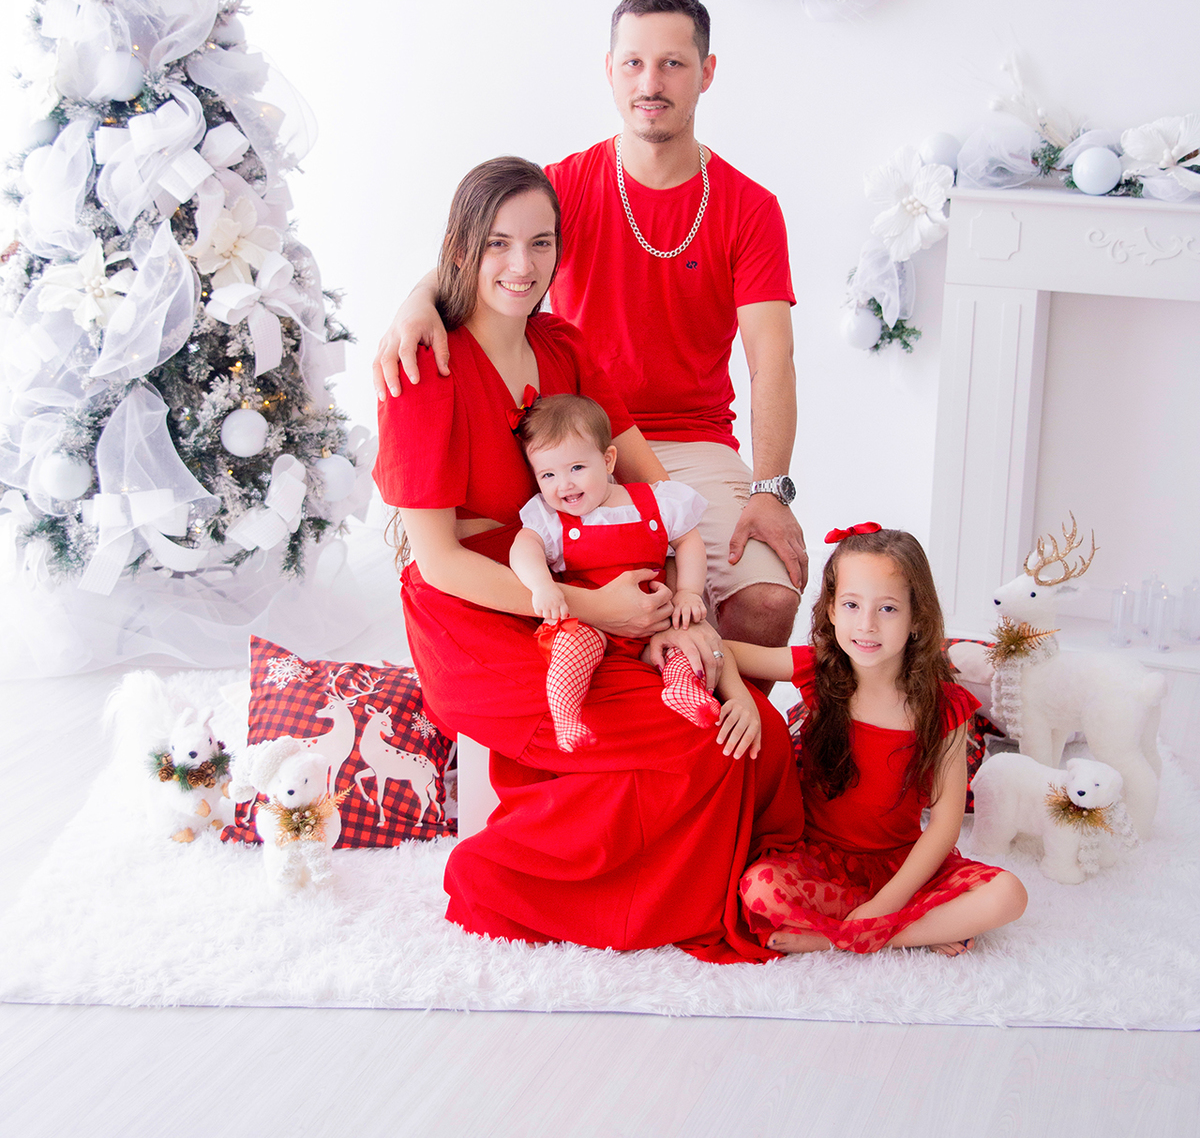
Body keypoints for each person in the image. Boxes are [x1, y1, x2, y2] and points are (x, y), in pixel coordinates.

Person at [373, 155, 807, 963]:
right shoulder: (423, 369)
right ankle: (505, 876)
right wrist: (596, 610)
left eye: (541, 243)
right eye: (498, 243)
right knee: (697, 742)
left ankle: (761, 875)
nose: (521, 265)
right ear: (460, 250)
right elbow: (438, 564)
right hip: (487, 618)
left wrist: (688, 615)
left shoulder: (562, 348)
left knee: (760, 737)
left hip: (589, 584)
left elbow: (651, 483)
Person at [373, 0, 806, 656]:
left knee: (767, 602)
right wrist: (416, 299)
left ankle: (719, 729)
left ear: (707, 73)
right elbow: (494, 248)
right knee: (625, 604)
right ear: (610, 71)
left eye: (673, 63)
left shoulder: (749, 207)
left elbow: (771, 361)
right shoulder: (567, 186)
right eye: (633, 62)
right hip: (570, 442)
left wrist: (772, 489)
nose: (650, 81)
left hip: (692, 444)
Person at [727, 525, 1028, 956]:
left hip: (904, 868)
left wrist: (885, 905)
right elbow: (721, 650)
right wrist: (739, 693)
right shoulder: (819, 669)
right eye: (851, 605)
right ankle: (918, 929)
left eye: (887, 609)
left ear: (916, 617)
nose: (866, 625)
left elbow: (944, 824)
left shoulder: (944, 706)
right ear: (830, 609)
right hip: (819, 861)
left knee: (1009, 895)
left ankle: (850, 937)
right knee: (760, 891)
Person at [509, 391, 720, 752]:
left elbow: (689, 541)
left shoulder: (654, 500)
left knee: (681, 646)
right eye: (548, 474)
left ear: (607, 461)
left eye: (577, 468)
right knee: (570, 645)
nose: (565, 485)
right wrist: (542, 586)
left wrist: (688, 591)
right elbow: (523, 548)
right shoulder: (551, 519)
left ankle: (683, 690)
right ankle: (567, 716)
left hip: (654, 621)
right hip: (593, 624)